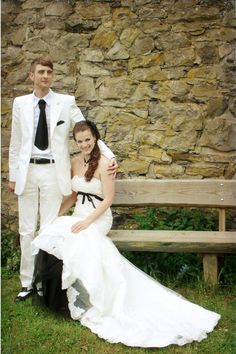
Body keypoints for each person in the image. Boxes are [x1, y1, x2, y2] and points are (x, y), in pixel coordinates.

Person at [32, 120, 220, 348]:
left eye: (88, 140)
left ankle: (91, 296)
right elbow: (72, 197)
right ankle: (59, 298)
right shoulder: (75, 162)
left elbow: (108, 200)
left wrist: (88, 221)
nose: (84, 145)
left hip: (98, 217)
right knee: (53, 234)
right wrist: (54, 215)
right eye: (80, 141)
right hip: (80, 213)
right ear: (76, 142)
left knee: (79, 239)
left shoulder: (107, 164)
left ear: (96, 138)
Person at [8, 57, 117, 303]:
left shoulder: (65, 103)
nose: (45, 76)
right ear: (31, 76)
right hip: (27, 170)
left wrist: (110, 156)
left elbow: (85, 128)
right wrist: (13, 175)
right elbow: (16, 142)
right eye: (41, 72)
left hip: (53, 172)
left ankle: (42, 281)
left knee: (48, 227)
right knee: (26, 230)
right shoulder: (20, 104)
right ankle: (26, 283)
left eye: (49, 72)